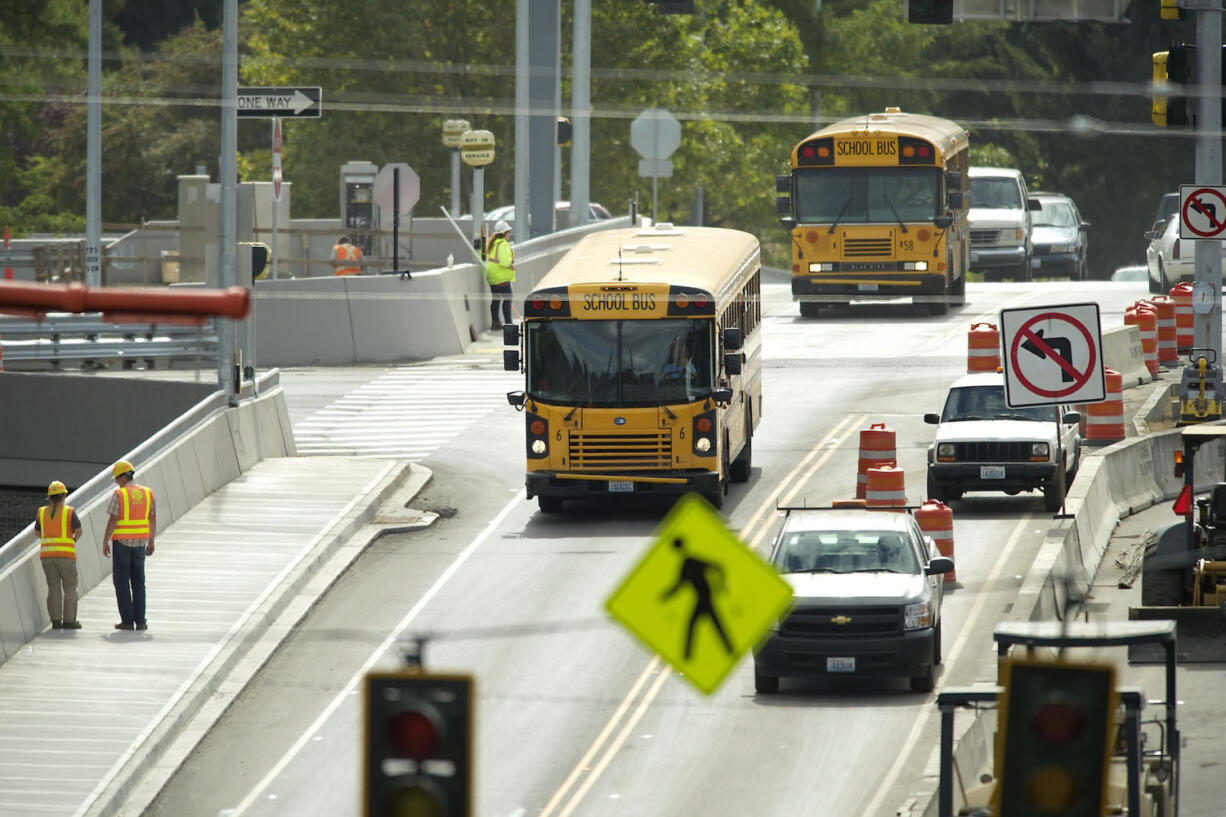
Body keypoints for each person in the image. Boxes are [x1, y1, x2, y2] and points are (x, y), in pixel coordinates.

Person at [102, 460, 156, 631]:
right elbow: (152, 518)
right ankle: (141, 621)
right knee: (139, 581)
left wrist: (105, 541)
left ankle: (127, 621)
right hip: (140, 543)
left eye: (117, 478)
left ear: (123, 477)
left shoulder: (120, 495)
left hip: (122, 544)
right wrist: (151, 540)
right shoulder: (148, 493)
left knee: (121, 581)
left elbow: (113, 519)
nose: (116, 482)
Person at [35, 480, 83, 630]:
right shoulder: (69, 511)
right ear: (64, 496)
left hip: (47, 556)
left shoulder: (42, 512)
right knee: (69, 588)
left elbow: (37, 532)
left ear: (50, 497)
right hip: (66, 556)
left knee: (53, 587)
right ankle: (69, 621)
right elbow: (78, 530)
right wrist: (72, 539)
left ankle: (56, 620)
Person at [485, 220, 516, 330]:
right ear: (504, 233)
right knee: (507, 300)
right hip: (501, 278)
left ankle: (495, 323)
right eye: (508, 232)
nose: (509, 234)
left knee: (496, 299)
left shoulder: (493, 243)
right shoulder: (503, 244)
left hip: (492, 277)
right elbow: (504, 262)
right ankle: (509, 324)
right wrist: (511, 266)